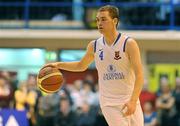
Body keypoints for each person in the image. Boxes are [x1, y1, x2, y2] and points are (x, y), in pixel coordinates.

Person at [43, 5, 144, 126]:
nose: (99, 23)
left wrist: (133, 101)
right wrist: (58, 64)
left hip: (130, 99)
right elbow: (81, 65)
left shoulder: (129, 44)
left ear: (115, 21)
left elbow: (139, 75)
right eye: (97, 20)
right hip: (109, 103)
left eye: (103, 19)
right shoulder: (94, 46)